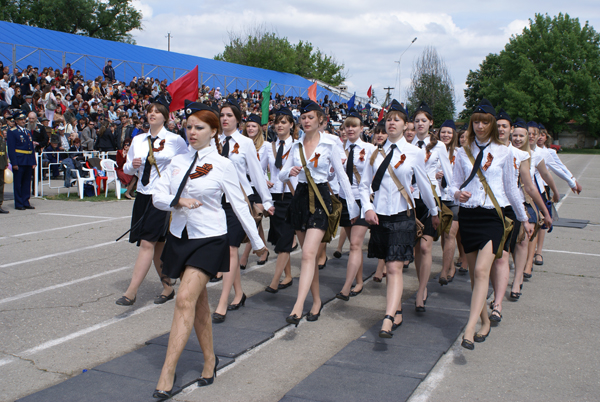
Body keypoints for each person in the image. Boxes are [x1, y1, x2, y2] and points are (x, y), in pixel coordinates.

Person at [151, 101, 266, 399]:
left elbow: (240, 204)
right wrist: (177, 202)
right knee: (198, 305)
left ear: (214, 131)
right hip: (180, 236)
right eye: (188, 126)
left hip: (209, 238)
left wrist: (258, 243)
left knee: (184, 299)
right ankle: (210, 360)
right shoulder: (177, 161)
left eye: (199, 127)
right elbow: (158, 194)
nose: (191, 132)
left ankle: (167, 372)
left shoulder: (223, 164)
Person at [449, 99, 533, 350]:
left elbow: (511, 187)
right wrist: (457, 194)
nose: (480, 126)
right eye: (476, 121)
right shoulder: (463, 151)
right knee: (476, 278)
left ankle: (469, 328)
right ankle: (484, 322)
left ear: (493, 124)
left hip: (494, 216)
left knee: (482, 272)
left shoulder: (505, 151)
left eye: (485, 121)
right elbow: (454, 183)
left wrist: (524, 218)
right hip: (469, 215)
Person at [360, 100, 439, 336]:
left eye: (397, 119)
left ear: (406, 125)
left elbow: (424, 186)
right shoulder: (376, 153)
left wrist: (434, 213)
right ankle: (398, 310)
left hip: (403, 216)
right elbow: (364, 185)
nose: (392, 122)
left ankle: (387, 316)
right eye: (389, 119)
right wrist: (367, 208)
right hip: (379, 218)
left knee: (394, 268)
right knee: (388, 264)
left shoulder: (415, 152)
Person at [279, 100, 358, 325]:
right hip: (300, 198)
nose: (306, 121)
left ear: (320, 120)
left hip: (321, 198)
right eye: (303, 118)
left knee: (307, 255)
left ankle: (298, 305)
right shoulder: (295, 146)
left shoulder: (330, 145)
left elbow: (342, 176)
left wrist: (352, 206)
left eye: (310, 117)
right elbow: (281, 175)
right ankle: (316, 301)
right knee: (309, 258)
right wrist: (290, 172)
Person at [117, 96, 188, 306]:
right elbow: (128, 167)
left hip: (161, 197)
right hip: (143, 195)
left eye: (157, 111)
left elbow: (186, 164)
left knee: (147, 243)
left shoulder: (175, 140)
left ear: (165, 117)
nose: (152, 114)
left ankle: (131, 292)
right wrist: (133, 164)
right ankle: (168, 287)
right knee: (157, 246)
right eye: (150, 110)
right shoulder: (138, 139)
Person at [212, 98, 274, 323]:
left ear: (238, 120)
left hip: (238, 202)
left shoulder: (246, 143)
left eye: (229, 115)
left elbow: (257, 174)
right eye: (222, 115)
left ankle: (222, 303)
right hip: (216, 202)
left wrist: (266, 202)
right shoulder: (213, 141)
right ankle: (239, 293)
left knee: (231, 250)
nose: (225, 119)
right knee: (225, 252)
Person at [410, 102, 453, 312]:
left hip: (431, 199)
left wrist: (451, 194)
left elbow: (449, 173)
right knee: (417, 247)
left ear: (431, 123)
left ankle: (421, 290)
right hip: (411, 199)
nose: (419, 124)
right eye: (416, 121)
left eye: (423, 121)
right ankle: (421, 283)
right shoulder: (408, 145)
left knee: (426, 246)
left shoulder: (439, 147)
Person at [336, 109, 376, 300]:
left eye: (354, 126)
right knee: (355, 246)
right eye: (348, 126)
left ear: (361, 128)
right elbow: (330, 175)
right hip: (344, 199)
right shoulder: (338, 149)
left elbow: (376, 175)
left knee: (354, 244)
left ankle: (346, 287)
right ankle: (359, 281)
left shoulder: (369, 149)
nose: (350, 129)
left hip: (362, 200)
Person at [263, 107, 298, 292]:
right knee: (279, 241)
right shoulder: (268, 146)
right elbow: (258, 170)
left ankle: (274, 282)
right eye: (277, 122)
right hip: (274, 196)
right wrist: (265, 181)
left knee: (285, 240)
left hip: (291, 197)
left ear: (291, 125)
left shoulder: (298, 146)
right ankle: (289, 276)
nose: (279, 125)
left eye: (284, 122)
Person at [238, 113, 270, 270]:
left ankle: (244, 257)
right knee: (255, 223)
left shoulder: (266, 146)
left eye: (254, 126)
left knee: (253, 220)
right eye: (248, 126)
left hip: (258, 188)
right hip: (243, 187)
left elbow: (273, 167)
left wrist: (268, 181)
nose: (250, 128)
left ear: (259, 128)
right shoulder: (239, 144)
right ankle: (263, 250)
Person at [437, 120, 459, 284]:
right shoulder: (434, 151)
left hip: (453, 199)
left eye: (449, 133)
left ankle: (445, 270)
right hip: (438, 197)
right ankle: (449, 263)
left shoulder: (460, 154)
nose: (445, 135)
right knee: (443, 236)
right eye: (443, 132)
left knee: (450, 234)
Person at [6, 111, 36, 210]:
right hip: (19, 160)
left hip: (27, 160)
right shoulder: (12, 131)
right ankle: (19, 203)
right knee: (18, 183)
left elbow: (31, 147)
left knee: (27, 182)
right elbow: (11, 148)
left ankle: (25, 201)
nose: (23, 121)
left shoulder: (27, 132)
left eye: (24, 119)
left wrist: (33, 161)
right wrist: (14, 162)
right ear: (16, 121)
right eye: (20, 119)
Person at [0, 124, 8, 213]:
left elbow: (4, 150)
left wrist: (5, 162)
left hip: (1, 163)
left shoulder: (2, 135)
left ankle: (0, 204)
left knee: (1, 184)